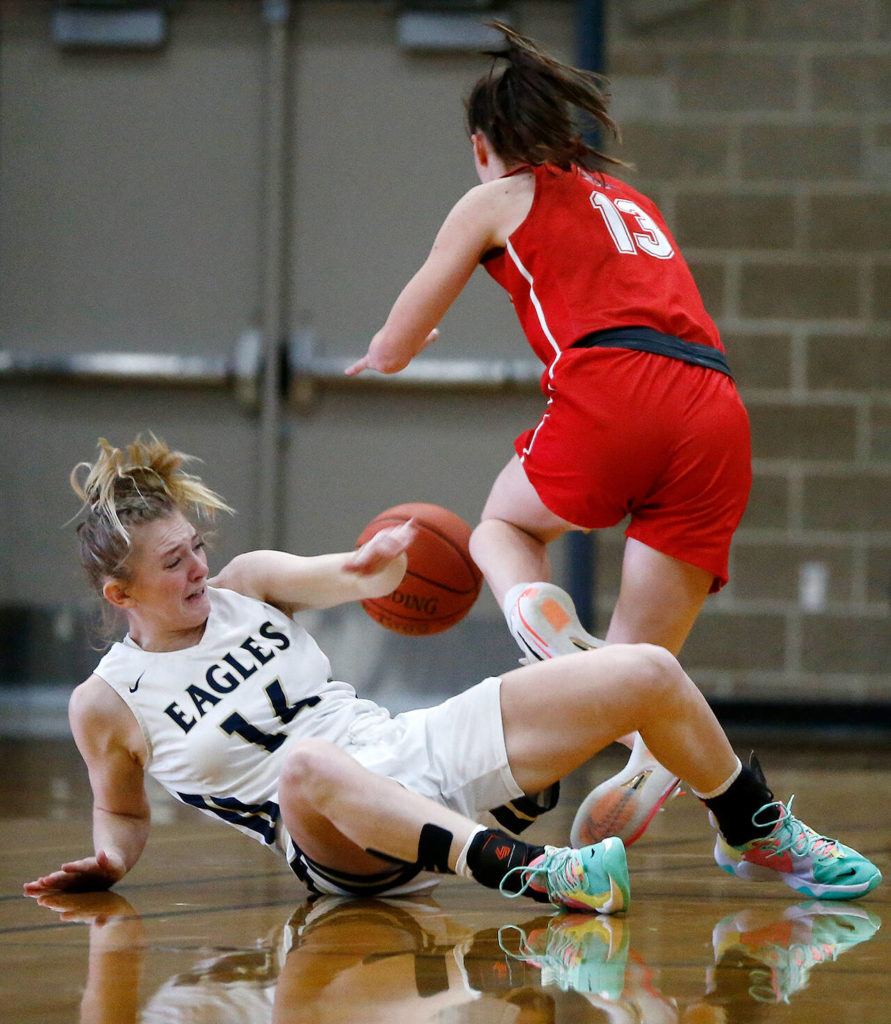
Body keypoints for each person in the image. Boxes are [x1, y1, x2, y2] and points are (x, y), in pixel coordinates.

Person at [24, 436, 879, 911]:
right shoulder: (106, 702)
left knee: (644, 670)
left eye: (197, 547)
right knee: (304, 766)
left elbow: (358, 577)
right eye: (175, 563)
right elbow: (121, 810)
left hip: (407, 751)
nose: (199, 568)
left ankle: (750, 827)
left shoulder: (249, 582)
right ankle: (527, 865)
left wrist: (389, 553)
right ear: (119, 591)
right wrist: (108, 858)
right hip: (332, 845)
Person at [344, 22, 753, 848]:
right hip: (714, 407)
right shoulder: (629, 201)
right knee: (638, 673)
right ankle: (649, 761)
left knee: (503, 524)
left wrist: (391, 353)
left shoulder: (495, 197)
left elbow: (398, 333)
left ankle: (535, 617)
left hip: (615, 386)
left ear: (481, 146)